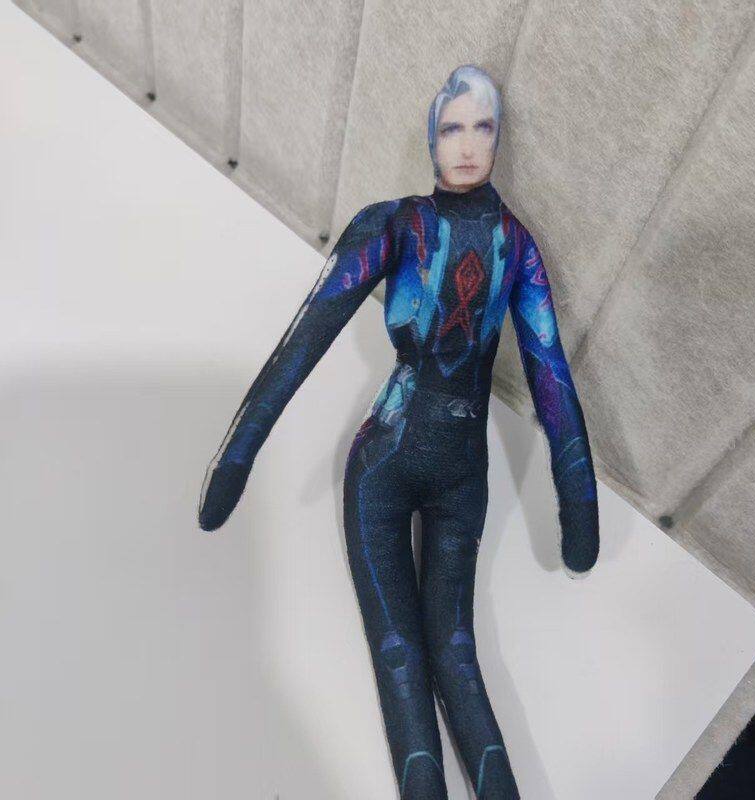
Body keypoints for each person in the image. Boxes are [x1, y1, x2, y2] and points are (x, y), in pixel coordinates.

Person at [199, 63, 599, 799]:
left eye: (483, 128)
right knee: (400, 655)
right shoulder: (393, 226)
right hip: (382, 467)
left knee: (456, 652)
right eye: (453, 128)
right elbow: (306, 338)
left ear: (500, 139)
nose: (468, 145)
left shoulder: (517, 246)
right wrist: (238, 454)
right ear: (431, 139)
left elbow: (552, 377)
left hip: (461, 478)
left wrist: (579, 502)